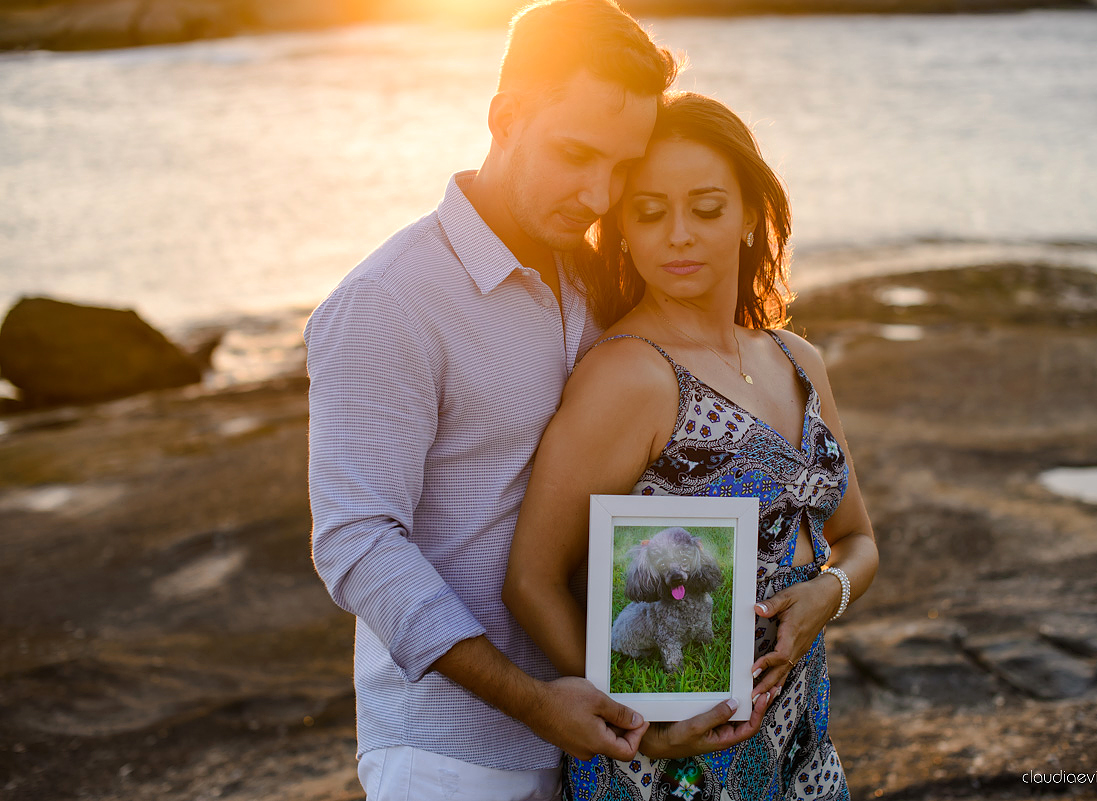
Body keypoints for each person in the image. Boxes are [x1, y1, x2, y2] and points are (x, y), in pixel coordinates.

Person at [304, 2, 679, 799]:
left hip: (595, 737)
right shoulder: (388, 299)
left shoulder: (591, 277)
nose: (599, 193)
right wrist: (533, 700)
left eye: (622, 167)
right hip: (449, 753)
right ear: (505, 117)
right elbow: (357, 540)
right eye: (575, 154)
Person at [503, 92, 879, 799]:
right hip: (666, 767)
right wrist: (638, 720)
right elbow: (531, 578)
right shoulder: (630, 374)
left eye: (706, 208)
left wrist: (829, 593)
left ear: (747, 215)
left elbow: (856, 537)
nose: (678, 234)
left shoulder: (798, 358)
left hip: (801, 744)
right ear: (620, 231)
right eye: (649, 212)